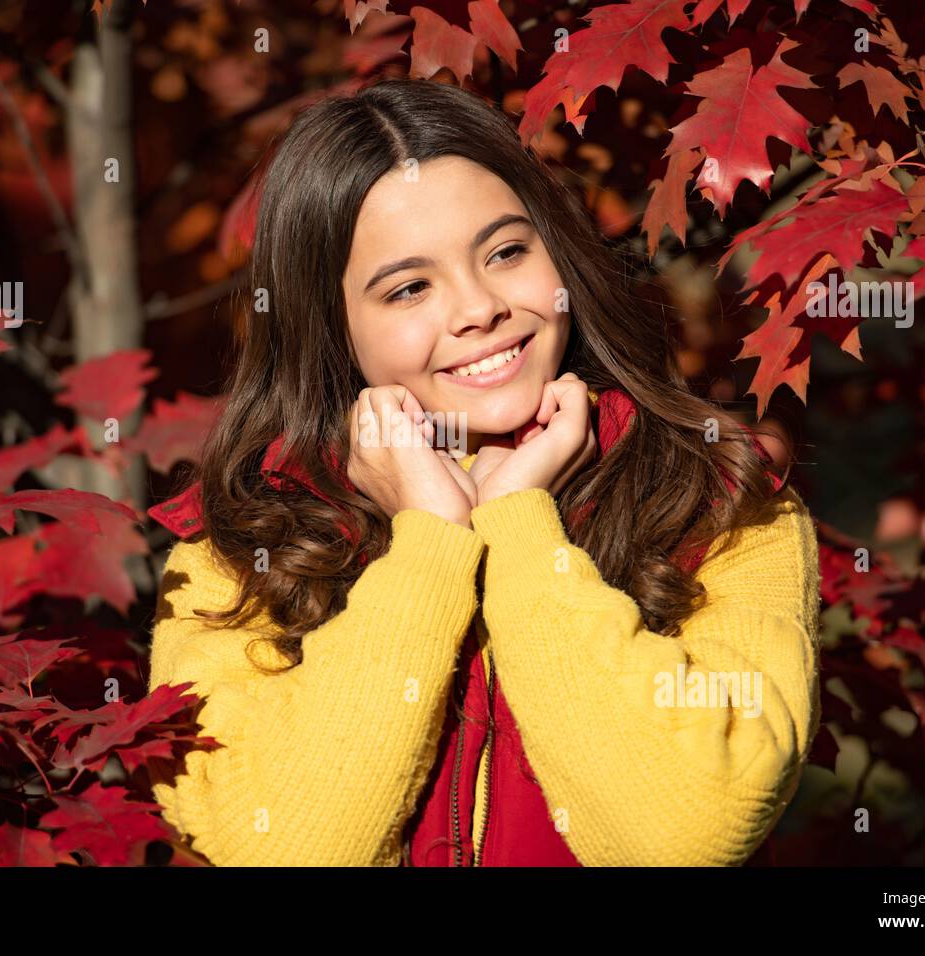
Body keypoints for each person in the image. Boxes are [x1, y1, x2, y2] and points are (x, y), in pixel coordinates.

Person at [146, 77, 821, 867]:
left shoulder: (723, 502)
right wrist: (430, 543)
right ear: (331, 327)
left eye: (505, 251)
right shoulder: (238, 543)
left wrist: (520, 529)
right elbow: (281, 847)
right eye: (408, 288)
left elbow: (689, 827)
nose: (477, 308)